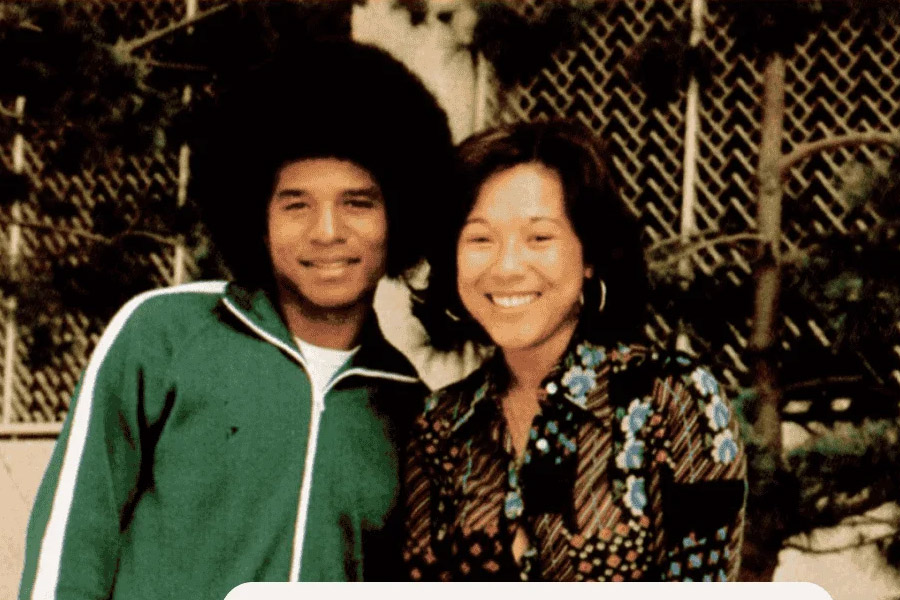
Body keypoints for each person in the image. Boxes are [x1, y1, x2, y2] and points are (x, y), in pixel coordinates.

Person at [19, 41, 454, 599]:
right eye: (296, 204)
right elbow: (73, 536)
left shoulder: (409, 410)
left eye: (357, 203)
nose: (327, 232)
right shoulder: (164, 334)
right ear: (258, 219)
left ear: (400, 216)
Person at [403, 120, 747, 582]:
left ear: (590, 256)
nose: (507, 267)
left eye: (539, 238)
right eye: (480, 239)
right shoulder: (441, 426)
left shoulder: (675, 399)